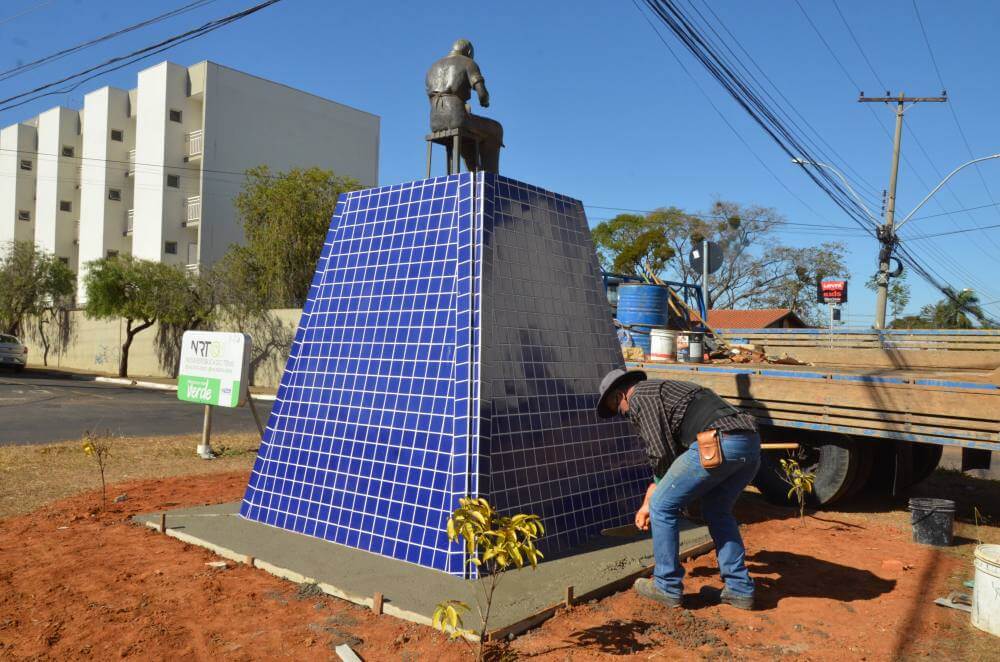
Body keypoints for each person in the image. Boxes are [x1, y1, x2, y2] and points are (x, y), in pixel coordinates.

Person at [596, 368, 761, 610]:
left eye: (617, 410)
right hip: (748, 443)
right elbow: (675, 456)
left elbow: (660, 453)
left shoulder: (641, 396)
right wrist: (656, 492)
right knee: (717, 511)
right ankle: (739, 589)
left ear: (620, 395)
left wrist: (651, 500)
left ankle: (666, 586)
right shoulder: (665, 390)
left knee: (662, 507)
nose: (623, 415)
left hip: (717, 442)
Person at [426, 38, 503, 172]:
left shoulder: (433, 67)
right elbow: (482, 94)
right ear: (468, 51)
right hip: (457, 118)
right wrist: (485, 102)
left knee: (468, 131)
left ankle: (473, 173)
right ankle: (491, 178)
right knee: (495, 129)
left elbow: (431, 98)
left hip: (435, 122)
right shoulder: (468, 63)